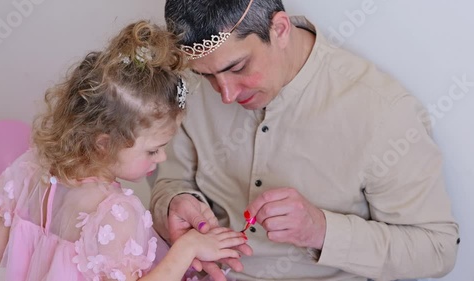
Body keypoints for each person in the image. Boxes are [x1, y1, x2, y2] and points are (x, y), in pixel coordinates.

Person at [150, 0, 460, 280]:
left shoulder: (383, 111)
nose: (226, 94)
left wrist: (322, 231)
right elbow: (170, 180)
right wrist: (173, 205)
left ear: (280, 29)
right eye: (207, 77)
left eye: (238, 68)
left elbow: (436, 249)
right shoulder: (187, 85)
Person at [0, 20, 249, 281]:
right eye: (153, 150)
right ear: (105, 143)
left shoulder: (33, 167)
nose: (162, 157)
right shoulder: (114, 212)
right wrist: (187, 248)